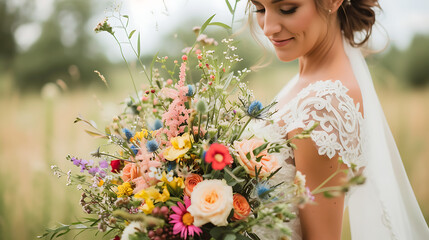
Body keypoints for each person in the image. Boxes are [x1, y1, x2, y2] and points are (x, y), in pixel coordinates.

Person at [245, 0, 429, 239]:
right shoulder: (305, 82)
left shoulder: (323, 107)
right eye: (260, 9)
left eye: (287, 9)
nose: (267, 27)